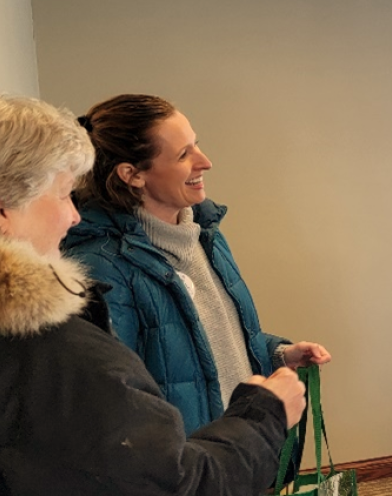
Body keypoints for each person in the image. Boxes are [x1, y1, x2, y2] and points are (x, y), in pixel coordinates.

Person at [0, 81, 306, 496]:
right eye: (64, 193)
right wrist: (263, 415)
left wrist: (272, 354)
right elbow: (173, 481)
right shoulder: (46, 353)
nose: (74, 215)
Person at [61, 94, 331, 435]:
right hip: (196, 460)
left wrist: (278, 354)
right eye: (183, 155)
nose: (205, 162)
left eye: (196, 145)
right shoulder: (100, 267)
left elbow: (209, 342)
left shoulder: (205, 235)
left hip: (241, 445)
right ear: (132, 174)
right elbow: (116, 404)